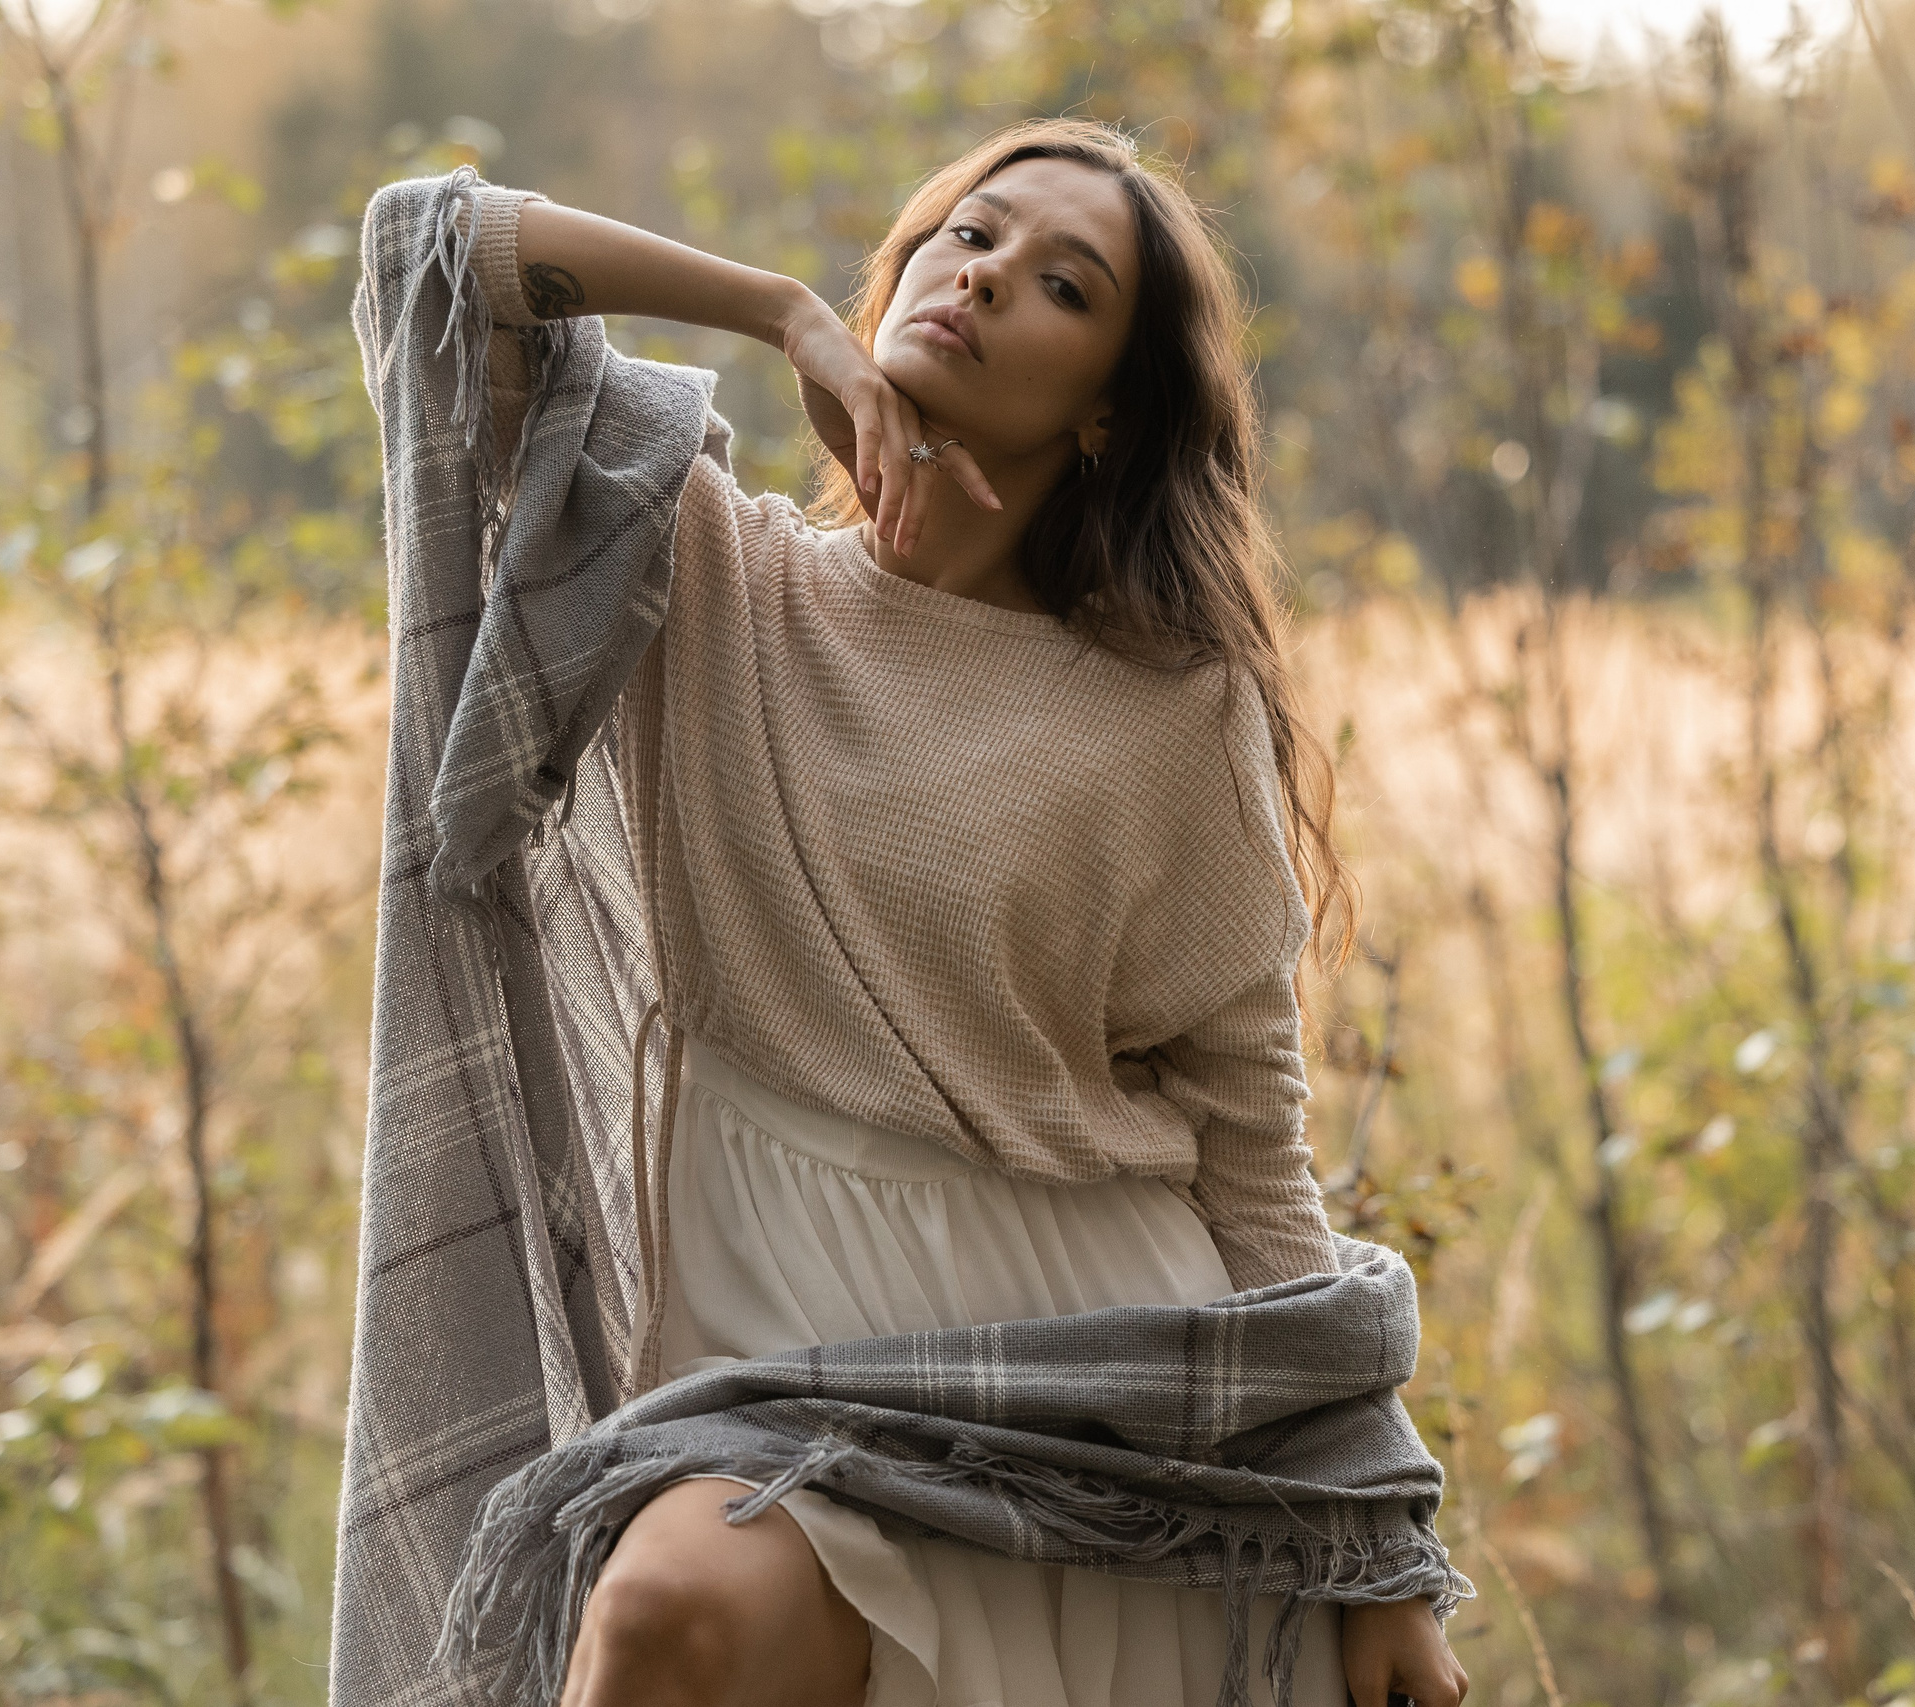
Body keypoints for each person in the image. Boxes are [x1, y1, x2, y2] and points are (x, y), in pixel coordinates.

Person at [378, 116, 1469, 1707]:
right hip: (777, 1372)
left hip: (1101, 1409)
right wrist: (775, 308)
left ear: (1108, 407)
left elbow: (1250, 1146)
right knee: (665, 1608)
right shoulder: (701, 570)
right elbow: (430, 249)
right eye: (971, 232)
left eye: (1062, 283)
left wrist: (1380, 1550)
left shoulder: (1170, 708)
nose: (986, 276)